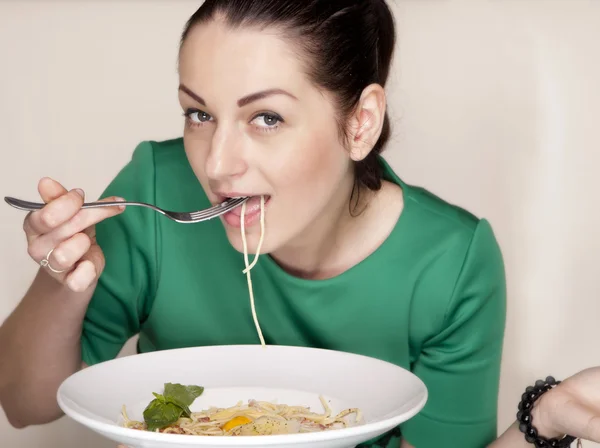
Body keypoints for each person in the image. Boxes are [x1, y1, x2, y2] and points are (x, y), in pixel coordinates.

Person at [1, 1, 599, 447]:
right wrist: (63, 277)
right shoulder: (154, 187)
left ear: (360, 122)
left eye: (265, 117)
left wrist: (548, 418)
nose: (215, 164)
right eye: (199, 113)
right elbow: (23, 404)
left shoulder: (450, 261)